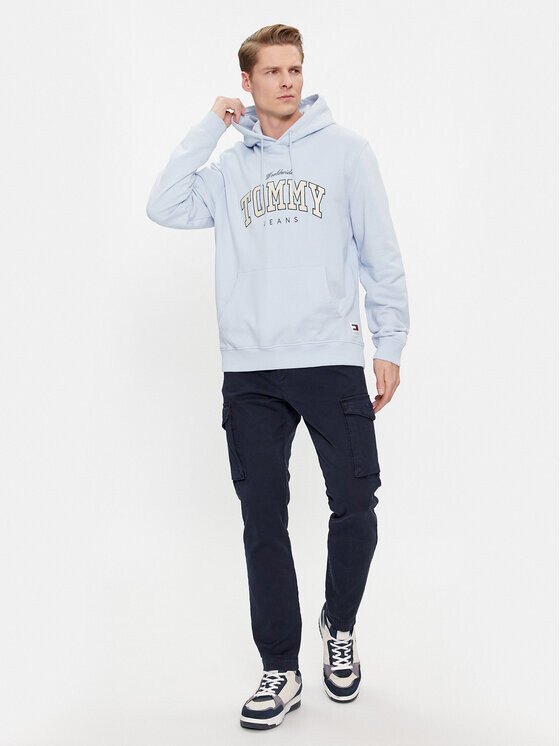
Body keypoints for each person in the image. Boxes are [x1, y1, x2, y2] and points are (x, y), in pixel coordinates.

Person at [146, 23, 410, 731]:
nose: (287, 81)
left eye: (295, 69)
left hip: (330, 356)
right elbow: (163, 204)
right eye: (272, 72)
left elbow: (381, 253)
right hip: (252, 369)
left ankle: (339, 624)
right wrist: (211, 126)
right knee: (263, 520)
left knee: (356, 502)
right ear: (248, 82)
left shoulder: (347, 153)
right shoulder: (228, 169)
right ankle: (280, 669)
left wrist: (389, 342)